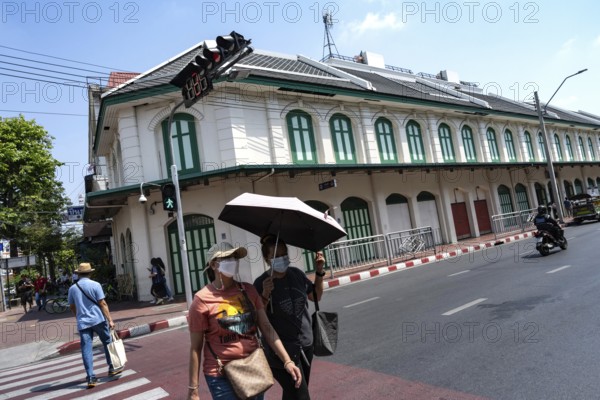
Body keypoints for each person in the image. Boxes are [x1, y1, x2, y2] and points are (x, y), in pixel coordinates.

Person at [187, 242, 302, 400]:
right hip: (221, 375)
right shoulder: (202, 299)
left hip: (254, 367)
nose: (233, 261)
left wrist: (287, 361)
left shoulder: (248, 290)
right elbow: (195, 347)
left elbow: (267, 327)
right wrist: (193, 389)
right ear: (214, 265)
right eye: (227, 257)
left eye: (235, 257)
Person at [253, 235, 326, 400]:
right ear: (266, 259)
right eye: (276, 256)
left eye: (284, 254)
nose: (282, 258)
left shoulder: (297, 274)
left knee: (293, 395)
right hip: (281, 353)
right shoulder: (261, 283)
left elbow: (317, 296)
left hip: (306, 346)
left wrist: (319, 271)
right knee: (301, 396)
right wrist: (265, 295)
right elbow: (260, 321)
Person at [67, 262, 124, 388]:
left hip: (83, 323)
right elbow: (102, 303)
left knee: (86, 349)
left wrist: (79, 316)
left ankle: (91, 376)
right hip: (98, 320)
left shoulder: (72, 288)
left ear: (78, 274)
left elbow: (72, 306)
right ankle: (112, 367)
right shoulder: (96, 285)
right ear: (90, 273)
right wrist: (110, 320)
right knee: (107, 342)